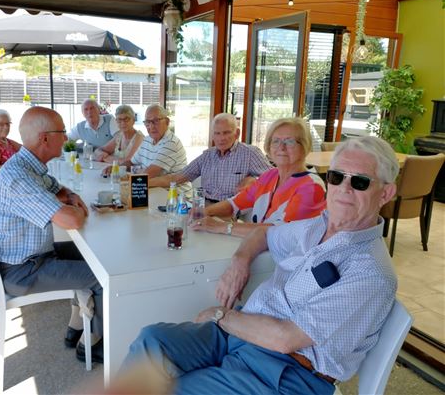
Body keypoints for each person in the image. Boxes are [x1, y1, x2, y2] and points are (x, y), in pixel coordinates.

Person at [122, 136, 400, 395]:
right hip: (246, 333)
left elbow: (286, 339)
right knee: (152, 341)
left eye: (360, 182)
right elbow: (264, 233)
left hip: (286, 371)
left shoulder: (369, 271)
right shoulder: (318, 226)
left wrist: (222, 315)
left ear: (386, 193)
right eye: (337, 177)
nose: (343, 190)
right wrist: (240, 261)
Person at [0, 106, 103, 364]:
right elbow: (71, 220)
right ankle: (93, 344)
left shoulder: (30, 165)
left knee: (96, 255)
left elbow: (58, 190)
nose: (67, 138)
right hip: (22, 271)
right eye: (62, 132)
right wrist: (77, 209)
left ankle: (76, 327)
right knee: (103, 277)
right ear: (45, 138)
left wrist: (70, 197)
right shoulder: (19, 177)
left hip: (32, 257)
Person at [193, 117, 326, 237]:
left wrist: (222, 227)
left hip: (286, 259)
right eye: (276, 141)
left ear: (305, 146)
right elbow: (235, 203)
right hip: (261, 250)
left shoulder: (311, 186)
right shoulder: (270, 176)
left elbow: (279, 232)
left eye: (290, 141)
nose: (281, 148)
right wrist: (203, 212)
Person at [149, 113, 271, 202]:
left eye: (226, 132)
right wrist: (143, 183)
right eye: (217, 133)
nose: (221, 138)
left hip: (230, 210)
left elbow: (275, 178)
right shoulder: (207, 155)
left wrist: (254, 180)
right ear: (212, 135)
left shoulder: (250, 153)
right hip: (203, 205)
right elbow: (176, 177)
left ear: (237, 133)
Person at [102, 104, 188, 180]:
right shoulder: (147, 140)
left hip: (173, 195)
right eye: (147, 122)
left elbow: (148, 174)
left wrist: (137, 171)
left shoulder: (171, 143)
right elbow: (131, 163)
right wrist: (116, 168)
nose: (151, 126)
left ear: (167, 122)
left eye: (156, 121)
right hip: (152, 190)